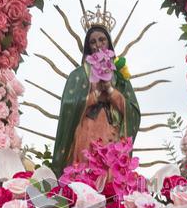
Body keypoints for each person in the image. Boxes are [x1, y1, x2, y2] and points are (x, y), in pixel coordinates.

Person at [51, 24, 140, 175]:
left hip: (112, 132)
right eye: (93, 42)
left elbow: (132, 109)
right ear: (88, 47)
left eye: (102, 40)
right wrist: (95, 95)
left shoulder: (119, 75)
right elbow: (68, 105)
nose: (98, 45)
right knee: (86, 175)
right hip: (87, 131)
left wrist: (111, 91)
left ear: (109, 43)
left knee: (110, 176)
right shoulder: (78, 75)